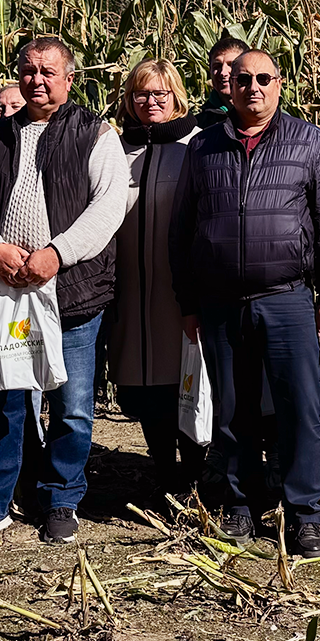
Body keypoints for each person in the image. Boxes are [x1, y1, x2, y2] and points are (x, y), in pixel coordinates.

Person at [0, 37, 127, 547]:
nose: (37, 79)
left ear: (69, 78)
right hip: (9, 291)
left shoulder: (94, 134)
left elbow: (109, 204)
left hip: (72, 291)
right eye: (28, 70)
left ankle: (61, 498)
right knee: (5, 399)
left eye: (48, 71)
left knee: (71, 404)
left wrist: (57, 253)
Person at [172, 48, 320, 557]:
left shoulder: (309, 142)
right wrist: (188, 301)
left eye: (263, 78)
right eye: (243, 79)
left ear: (279, 82)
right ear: (230, 85)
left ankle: (306, 511)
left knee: (301, 407)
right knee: (233, 408)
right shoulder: (203, 148)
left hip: (286, 298)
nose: (253, 88)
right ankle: (241, 504)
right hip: (221, 300)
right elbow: (182, 229)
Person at [107, 58, 204, 501]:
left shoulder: (196, 145)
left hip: (177, 287)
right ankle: (164, 473)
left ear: (177, 98)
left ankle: (199, 475)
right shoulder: (114, 149)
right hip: (129, 288)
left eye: (160, 94)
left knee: (181, 380)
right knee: (143, 385)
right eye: (142, 94)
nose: (151, 102)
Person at [196, 35, 247, 128]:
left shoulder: (265, 119)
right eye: (217, 66)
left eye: (231, 65)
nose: (223, 72)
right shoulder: (198, 125)